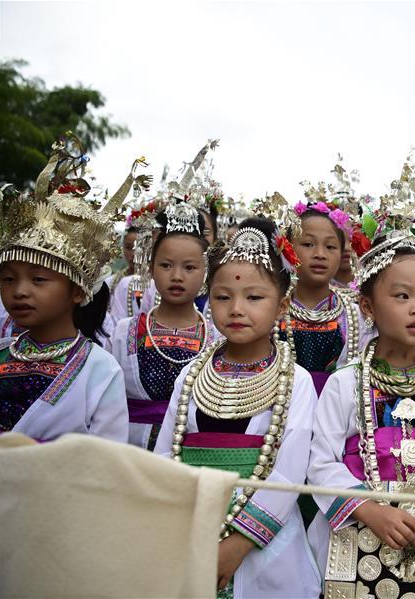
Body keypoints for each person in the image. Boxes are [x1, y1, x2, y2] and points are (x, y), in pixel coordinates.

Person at [307, 190, 415, 599]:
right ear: (367, 305)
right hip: (360, 540)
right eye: (402, 296)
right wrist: (369, 510)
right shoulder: (346, 382)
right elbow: (320, 461)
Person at [154, 218, 319, 598]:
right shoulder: (192, 375)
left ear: (282, 305)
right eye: (223, 297)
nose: (237, 309)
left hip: (266, 544)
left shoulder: (296, 380)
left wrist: (237, 544)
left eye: (254, 298)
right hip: (189, 528)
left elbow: (288, 473)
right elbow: (165, 454)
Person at [0, 138, 136, 442]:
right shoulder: (1, 354)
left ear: (77, 291)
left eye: (38, 279)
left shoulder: (101, 369)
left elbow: (106, 463)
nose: (19, 291)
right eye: (8, 279)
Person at [111, 202, 209, 449]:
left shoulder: (214, 336)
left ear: (205, 272)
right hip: (128, 448)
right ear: (151, 268)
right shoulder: (125, 330)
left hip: (188, 450)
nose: (177, 276)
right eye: (166, 265)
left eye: (189, 267)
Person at [283, 198, 361, 395]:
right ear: (288, 248)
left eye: (330, 247)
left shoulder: (356, 315)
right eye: (308, 244)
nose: (320, 254)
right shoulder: (272, 311)